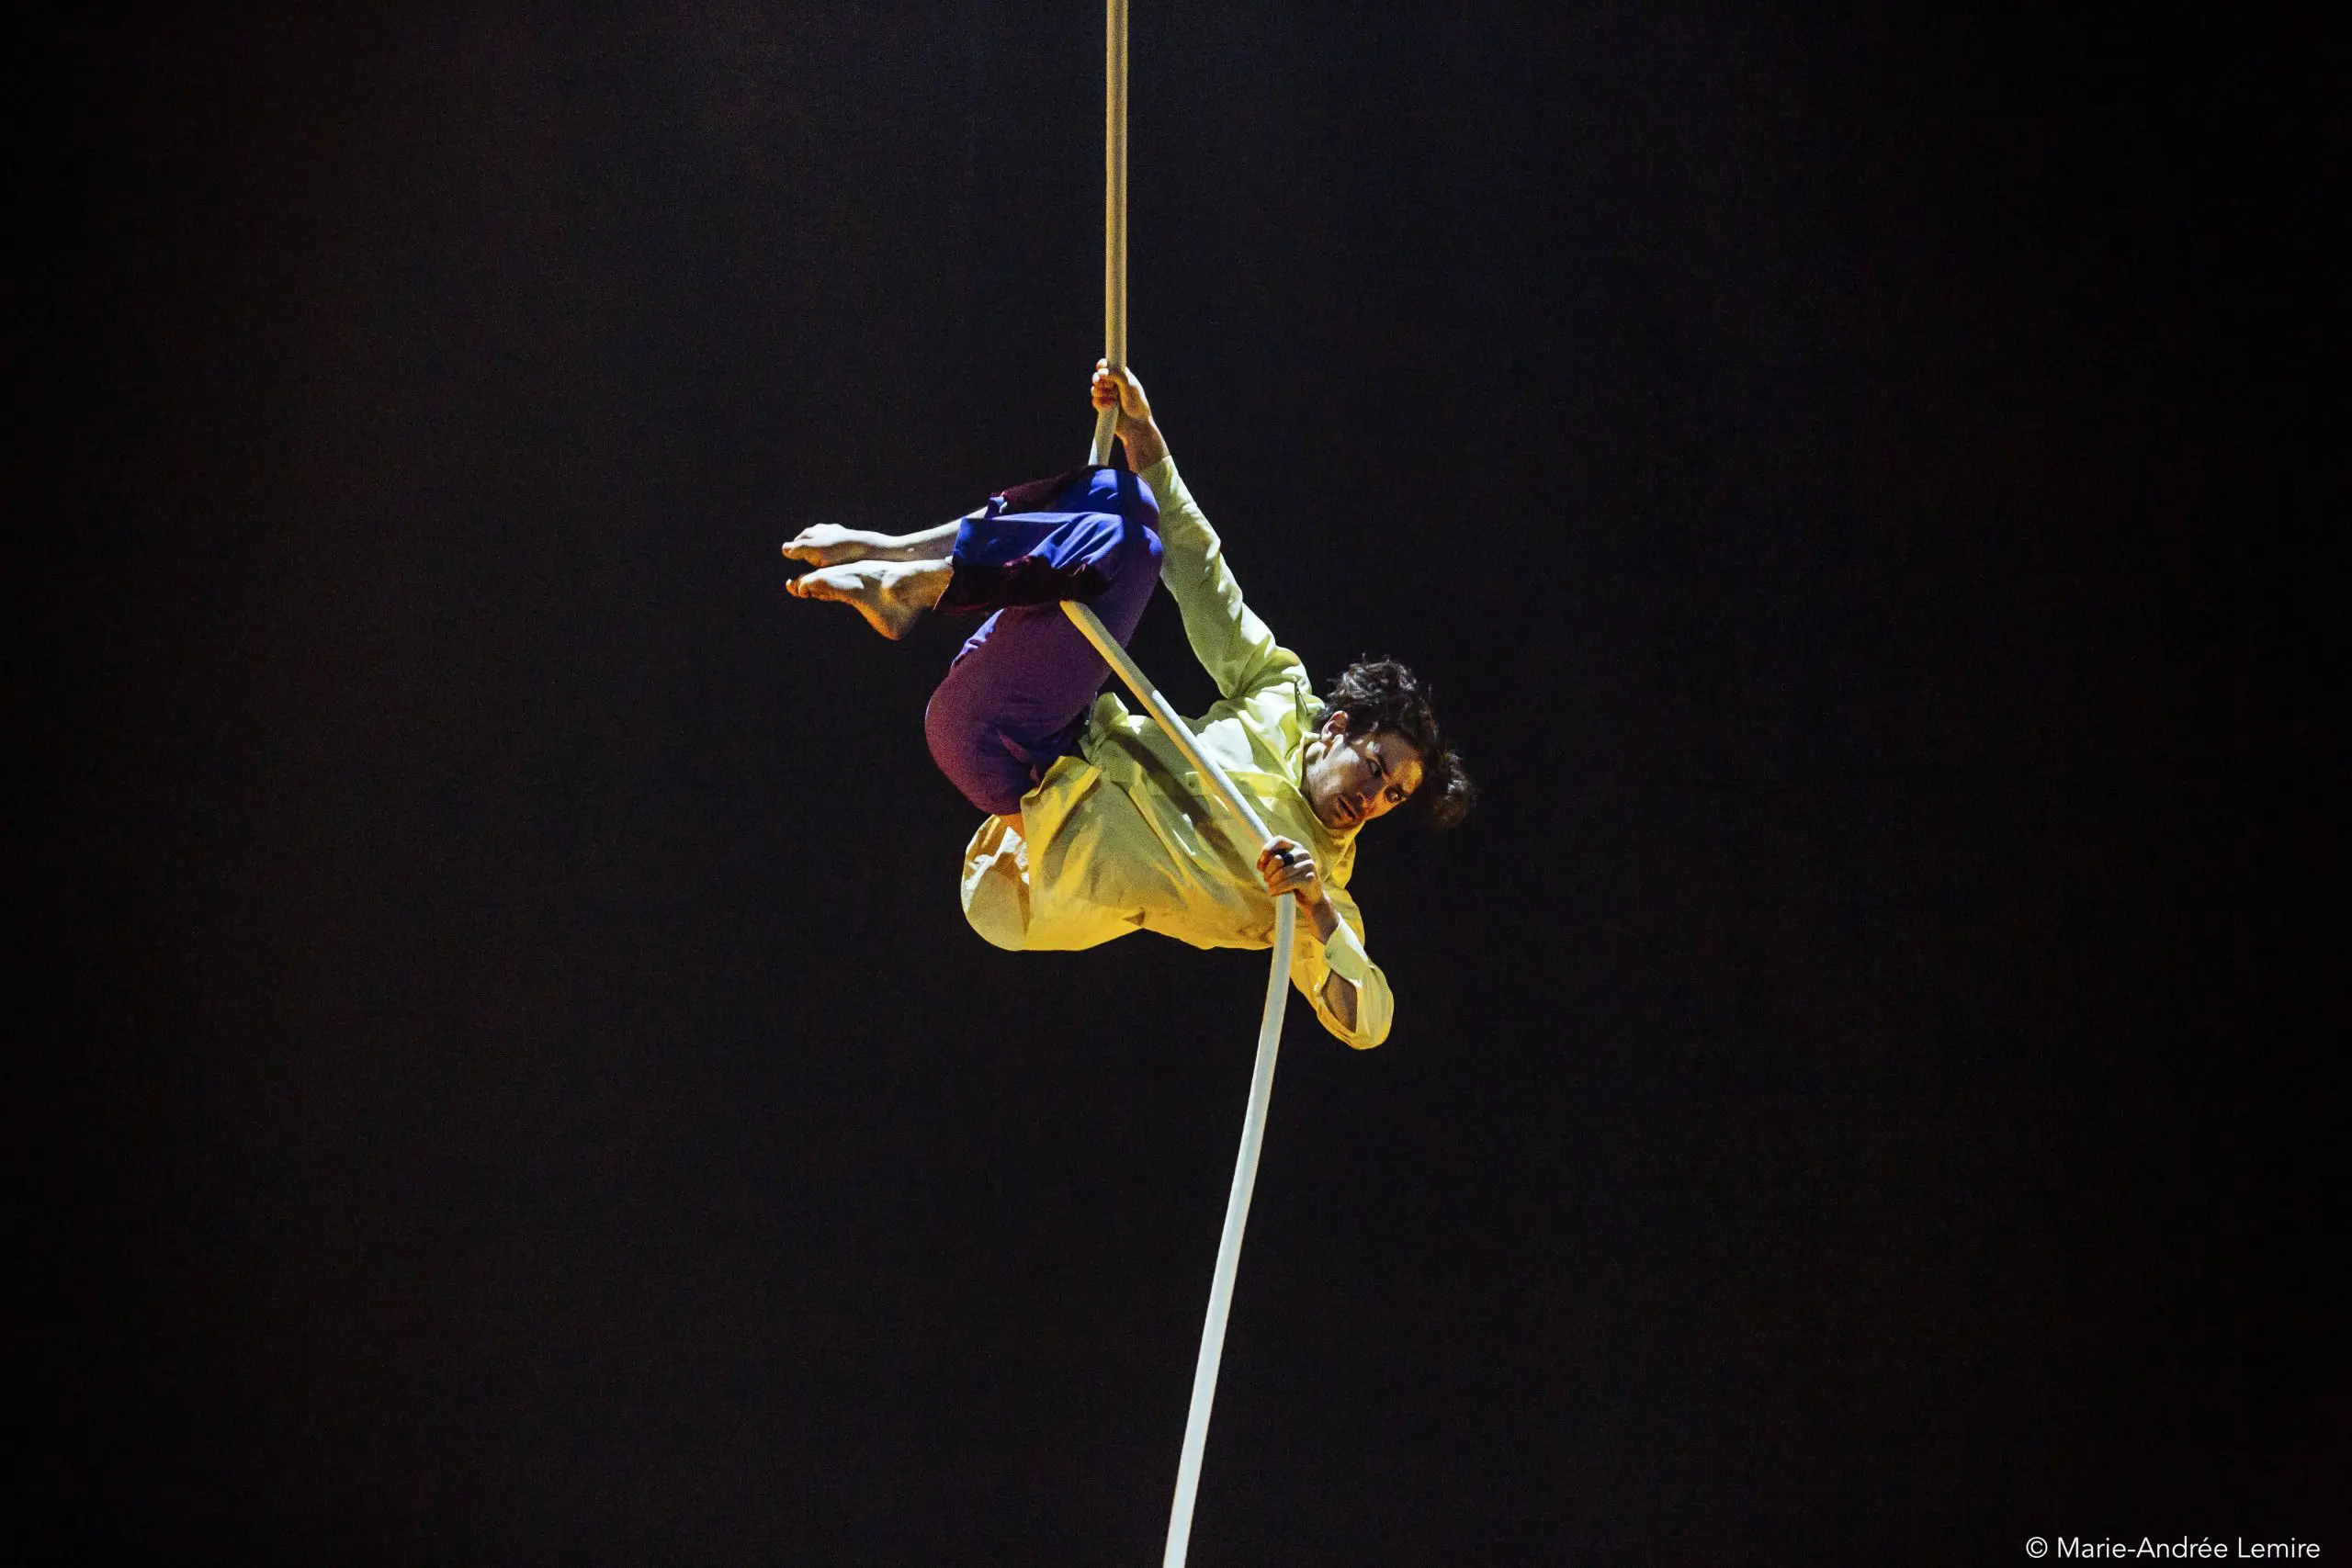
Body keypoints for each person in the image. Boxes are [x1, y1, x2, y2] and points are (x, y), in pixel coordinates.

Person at [781, 364, 1472, 1046]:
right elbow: (1203, 577)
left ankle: (923, 582)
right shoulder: (1282, 691)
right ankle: (904, 561)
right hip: (1046, 702)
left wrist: (1316, 908)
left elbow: (1368, 1020)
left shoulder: (1312, 885)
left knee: (1123, 529)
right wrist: (1143, 431)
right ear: (1340, 727)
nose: (1376, 797)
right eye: (1379, 768)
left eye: (1395, 796)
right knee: (1127, 509)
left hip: (1017, 777)